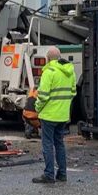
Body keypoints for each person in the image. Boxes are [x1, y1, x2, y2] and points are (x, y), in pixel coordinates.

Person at [32, 46, 77, 183]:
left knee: (47, 144)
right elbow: (73, 92)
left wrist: (37, 108)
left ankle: (49, 174)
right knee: (59, 144)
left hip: (49, 115)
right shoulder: (70, 72)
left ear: (48, 58)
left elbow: (43, 96)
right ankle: (62, 174)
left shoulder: (49, 72)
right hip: (63, 116)